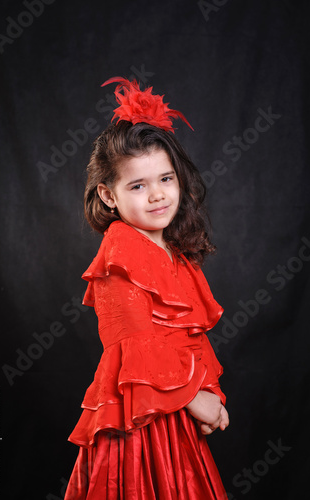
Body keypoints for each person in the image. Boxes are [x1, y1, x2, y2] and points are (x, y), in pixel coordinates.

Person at [64, 77, 229, 500]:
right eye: (138, 186)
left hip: (176, 414)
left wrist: (209, 393)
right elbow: (132, 344)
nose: (157, 195)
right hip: (138, 422)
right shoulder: (119, 253)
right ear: (108, 195)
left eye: (166, 179)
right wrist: (197, 399)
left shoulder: (176, 253)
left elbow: (187, 340)